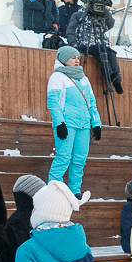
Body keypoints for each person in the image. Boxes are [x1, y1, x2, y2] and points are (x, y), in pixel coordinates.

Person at [46, 46, 101, 197]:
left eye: (78, 58)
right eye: (73, 58)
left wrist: (96, 123)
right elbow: (53, 102)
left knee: (79, 160)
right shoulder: (57, 77)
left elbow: (91, 102)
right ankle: (53, 190)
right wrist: (59, 122)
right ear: (64, 60)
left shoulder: (84, 78)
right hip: (67, 124)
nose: (77, 60)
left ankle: (75, 190)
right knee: (63, 158)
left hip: (83, 125)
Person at [66, 0, 122, 93]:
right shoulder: (78, 15)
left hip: (101, 43)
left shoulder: (102, 16)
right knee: (100, 51)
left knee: (112, 54)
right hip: (85, 43)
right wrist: (74, 45)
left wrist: (105, 13)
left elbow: (110, 24)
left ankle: (117, 80)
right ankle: (109, 75)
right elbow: (70, 31)